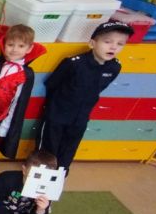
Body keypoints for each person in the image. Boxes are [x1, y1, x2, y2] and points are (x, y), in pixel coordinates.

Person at [38, 21, 131, 173]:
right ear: (92, 43)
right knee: (48, 148)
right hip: (58, 114)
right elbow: (52, 84)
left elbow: (99, 88)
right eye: (107, 42)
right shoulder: (74, 63)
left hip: (81, 117)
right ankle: (41, 176)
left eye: (120, 44)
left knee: (69, 148)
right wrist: (53, 109)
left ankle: (60, 175)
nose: (113, 47)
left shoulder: (115, 67)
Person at [0, 24, 46, 188]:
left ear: (29, 48)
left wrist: (6, 124)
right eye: (11, 45)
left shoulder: (26, 74)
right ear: (4, 44)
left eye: (21, 46)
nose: (14, 50)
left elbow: (19, 102)